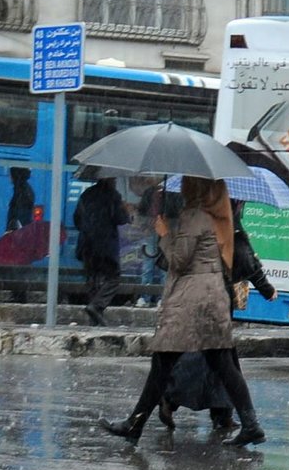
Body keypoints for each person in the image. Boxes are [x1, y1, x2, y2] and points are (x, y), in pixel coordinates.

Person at [98, 178, 265, 447]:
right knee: (221, 365)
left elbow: (179, 261)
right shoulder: (219, 217)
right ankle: (251, 424)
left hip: (191, 302)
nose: (183, 187)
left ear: (197, 188)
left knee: (163, 365)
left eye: (188, 182)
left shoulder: (195, 216)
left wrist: (164, 233)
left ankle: (134, 424)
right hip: (211, 299)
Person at [157, 201, 279, 434]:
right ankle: (173, 399)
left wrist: (165, 236)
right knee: (211, 360)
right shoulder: (229, 227)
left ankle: (221, 412)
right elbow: (247, 262)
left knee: (214, 359)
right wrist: (266, 289)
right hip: (214, 302)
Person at [74, 177, 130, 326]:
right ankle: (96, 306)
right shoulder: (113, 195)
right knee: (113, 277)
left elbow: (77, 220)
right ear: (110, 180)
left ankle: (94, 319)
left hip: (87, 245)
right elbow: (121, 218)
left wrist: (89, 228)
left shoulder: (86, 194)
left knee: (93, 279)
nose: (115, 181)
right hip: (105, 245)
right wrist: (125, 210)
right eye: (114, 179)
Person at [6, 166, 35, 231]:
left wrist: (12, 230)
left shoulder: (21, 191)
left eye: (10, 173)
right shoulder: (22, 189)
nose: (9, 176)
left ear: (15, 175)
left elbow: (20, 218)